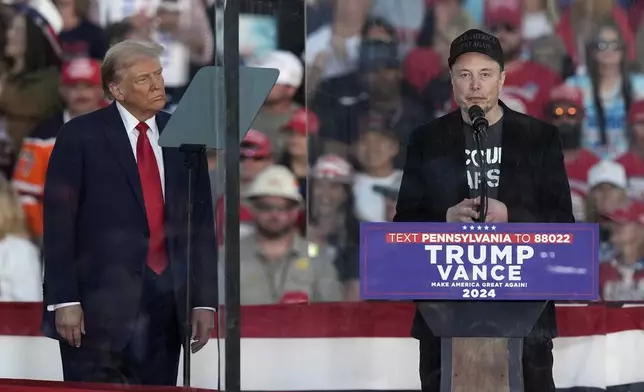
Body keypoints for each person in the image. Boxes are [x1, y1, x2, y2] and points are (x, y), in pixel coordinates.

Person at [394, 29, 574, 392]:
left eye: (486, 74)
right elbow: (403, 225)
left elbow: (563, 224)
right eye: (465, 74)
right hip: (444, 311)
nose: (475, 85)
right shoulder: (426, 139)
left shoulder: (539, 137)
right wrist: (445, 219)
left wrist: (513, 217)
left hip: (526, 309)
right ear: (452, 80)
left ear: (503, 79)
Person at [41, 39, 217, 385]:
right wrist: (64, 300)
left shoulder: (183, 136)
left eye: (159, 74)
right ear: (116, 89)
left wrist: (204, 301)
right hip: (95, 308)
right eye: (143, 79)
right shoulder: (79, 135)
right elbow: (59, 224)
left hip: (167, 304)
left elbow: (200, 224)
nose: (157, 85)